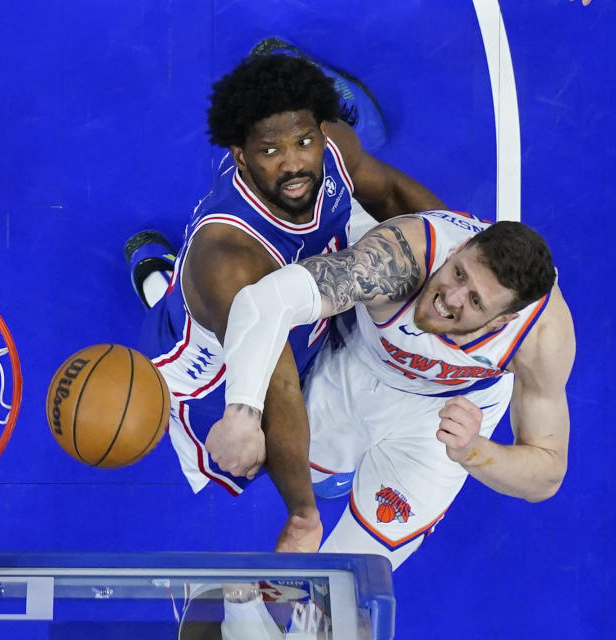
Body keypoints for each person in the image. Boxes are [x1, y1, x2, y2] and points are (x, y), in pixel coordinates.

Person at [126, 44, 445, 553]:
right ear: (240, 156)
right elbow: (277, 388)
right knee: (254, 448)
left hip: (295, 300)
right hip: (213, 366)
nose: (295, 164)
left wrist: (461, 247)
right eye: (271, 151)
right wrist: (302, 513)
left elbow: (391, 196)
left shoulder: (335, 148)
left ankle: (160, 274)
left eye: (304, 141)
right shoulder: (229, 258)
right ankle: (156, 277)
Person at [213, 210, 575, 568]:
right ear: (458, 248)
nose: (451, 298)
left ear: (504, 320)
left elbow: (547, 475)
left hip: (450, 416)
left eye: (475, 301)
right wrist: (242, 413)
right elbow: (266, 300)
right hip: (363, 363)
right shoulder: (399, 261)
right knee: (264, 435)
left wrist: (472, 451)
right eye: (458, 273)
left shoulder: (539, 338)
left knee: (353, 581)